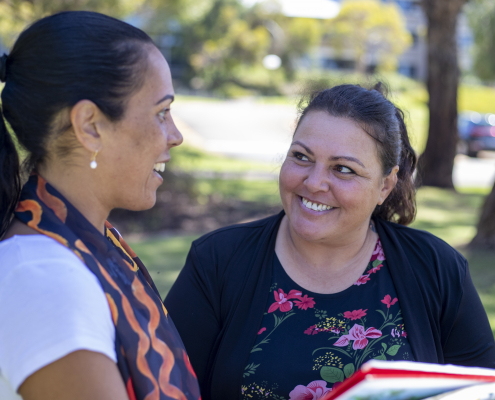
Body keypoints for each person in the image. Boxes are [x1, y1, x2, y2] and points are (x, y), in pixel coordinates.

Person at [164, 84, 495, 400]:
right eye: (302, 157)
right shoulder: (218, 261)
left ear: (385, 185)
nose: (314, 182)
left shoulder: (438, 269)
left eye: (343, 169)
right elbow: (164, 387)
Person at [0, 11, 200, 400]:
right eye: (161, 112)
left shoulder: (88, 243)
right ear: (89, 125)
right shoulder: (41, 277)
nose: (174, 136)